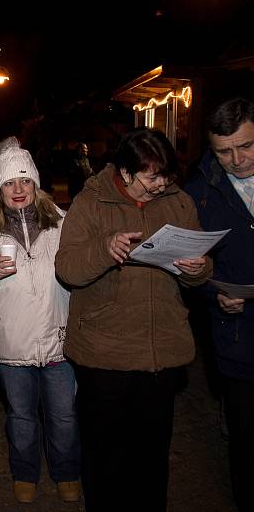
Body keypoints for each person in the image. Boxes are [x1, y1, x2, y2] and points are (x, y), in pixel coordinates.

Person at [54, 127, 211, 512]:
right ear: (125, 172)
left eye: (166, 175)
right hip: (104, 354)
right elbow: (68, 268)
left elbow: (202, 271)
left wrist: (197, 267)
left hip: (160, 351)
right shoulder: (91, 202)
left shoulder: (179, 202)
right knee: (105, 455)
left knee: (152, 454)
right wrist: (105, 249)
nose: (160, 184)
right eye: (151, 176)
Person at [0, 144, 80, 504]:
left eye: (25, 181)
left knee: (63, 416)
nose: (18, 189)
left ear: (36, 184)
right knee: (21, 417)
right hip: (12, 341)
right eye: (9, 183)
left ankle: (66, 471)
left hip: (59, 339)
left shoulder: (62, 223)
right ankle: (25, 472)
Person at [184, 97, 254, 511]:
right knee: (245, 438)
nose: (236, 159)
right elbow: (191, 266)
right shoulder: (199, 193)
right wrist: (213, 294)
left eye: (246, 146)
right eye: (224, 151)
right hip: (237, 335)